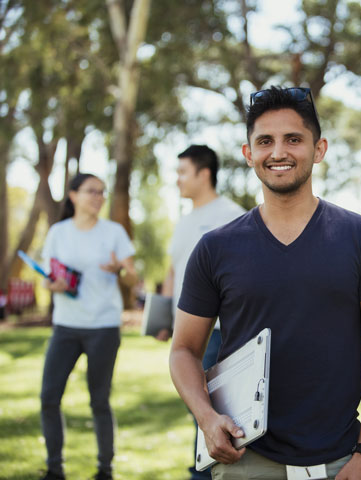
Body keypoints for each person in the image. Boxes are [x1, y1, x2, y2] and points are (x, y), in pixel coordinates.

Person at [169, 86, 361, 480]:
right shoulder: (215, 248)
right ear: (248, 154)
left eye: (293, 139)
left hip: (343, 462)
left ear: (319, 149)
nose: (278, 152)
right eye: (265, 141)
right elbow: (184, 350)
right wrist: (207, 419)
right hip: (246, 461)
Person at [155, 144, 244, 480]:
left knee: (212, 411)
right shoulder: (184, 221)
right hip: (187, 333)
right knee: (198, 408)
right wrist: (165, 318)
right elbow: (173, 271)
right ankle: (202, 469)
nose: (177, 180)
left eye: (182, 172)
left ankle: (203, 472)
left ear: (203, 173)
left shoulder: (231, 215)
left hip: (219, 332)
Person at [39, 173, 137, 480]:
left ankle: (104, 471)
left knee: (99, 400)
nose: (98, 197)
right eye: (91, 191)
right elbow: (47, 276)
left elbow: (133, 278)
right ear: (73, 195)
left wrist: (119, 269)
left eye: (102, 192)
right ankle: (55, 469)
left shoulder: (114, 232)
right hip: (65, 327)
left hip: (103, 327)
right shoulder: (58, 232)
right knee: (49, 397)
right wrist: (51, 286)